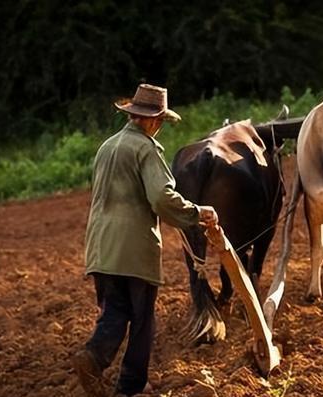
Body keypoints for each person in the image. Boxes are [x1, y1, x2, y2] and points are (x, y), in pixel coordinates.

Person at [72, 83, 218, 397]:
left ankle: (94, 357)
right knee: (141, 319)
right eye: (161, 123)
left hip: (100, 245)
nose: (160, 129)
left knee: (115, 309)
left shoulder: (107, 146)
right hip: (134, 248)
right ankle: (131, 386)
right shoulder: (145, 148)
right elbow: (162, 198)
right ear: (151, 120)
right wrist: (197, 213)